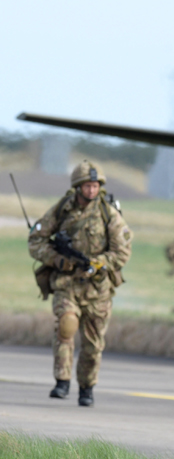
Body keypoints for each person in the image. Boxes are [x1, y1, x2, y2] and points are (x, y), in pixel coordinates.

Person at [28, 160, 133, 407]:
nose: (92, 190)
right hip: (67, 283)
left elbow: (122, 252)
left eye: (95, 185)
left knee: (93, 343)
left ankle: (86, 387)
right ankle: (62, 381)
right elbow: (36, 240)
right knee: (66, 326)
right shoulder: (62, 209)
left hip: (97, 288)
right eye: (87, 185)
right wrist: (57, 259)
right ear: (78, 186)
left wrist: (99, 263)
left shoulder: (109, 214)